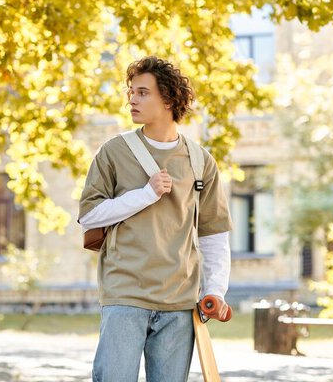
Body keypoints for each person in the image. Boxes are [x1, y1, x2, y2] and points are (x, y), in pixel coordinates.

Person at [78, 56, 233, 382]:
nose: (132, 99)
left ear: (169, 99)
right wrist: (146, 194)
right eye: (131, 92)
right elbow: (89, 215)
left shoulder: (200, 160)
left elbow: (213, 234)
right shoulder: (113, 152)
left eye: (143, 92)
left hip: (180, 300)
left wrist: (216, 291)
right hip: (125, 294)